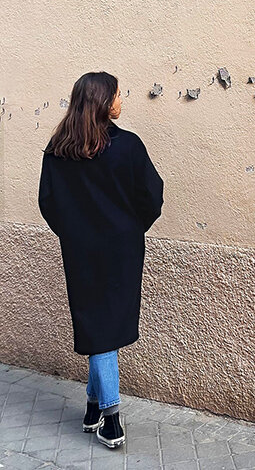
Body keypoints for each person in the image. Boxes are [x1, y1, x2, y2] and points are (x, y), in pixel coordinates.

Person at [37, 71, 164, 449]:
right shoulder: (127, 146)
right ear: (104, 102)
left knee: (98, 324)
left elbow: (48, 203)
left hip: (81, 251)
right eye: (118, 95)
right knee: (106, 329)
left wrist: (75, 234)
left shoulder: (59, 149)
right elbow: (152, 197)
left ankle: (92, 405)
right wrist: (130, 227)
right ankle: (111, 419)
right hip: (122, 250)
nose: (121, 102)